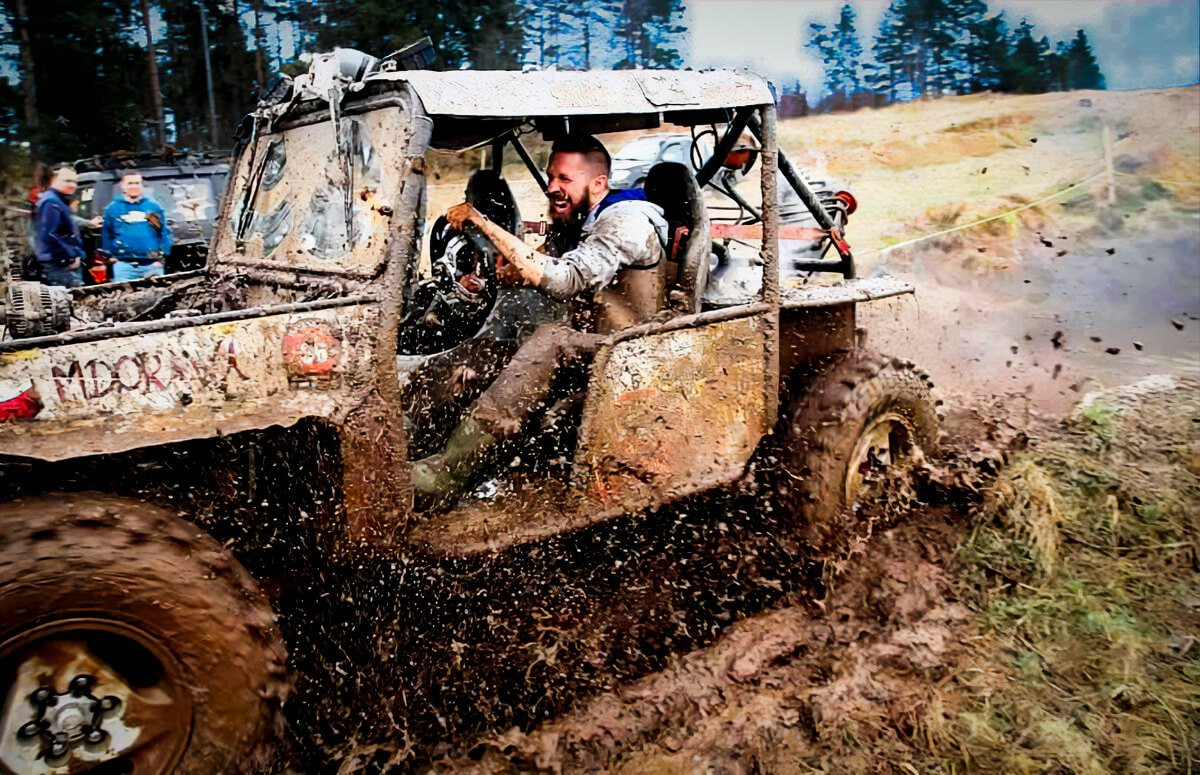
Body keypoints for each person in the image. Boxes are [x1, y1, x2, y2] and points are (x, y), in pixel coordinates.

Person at [410, 134, 669, 503]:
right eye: (551, 177)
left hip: (631, 351)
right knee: (489, 346)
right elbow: (544, 264)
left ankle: (449, 472)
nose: (552, 188)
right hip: (592, 347)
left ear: (598, 183)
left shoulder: (626, 221)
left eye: (564, 179)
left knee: (550, 339)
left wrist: (483, 222)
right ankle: (403, 434)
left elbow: (565, 280)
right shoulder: (583, 218)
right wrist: (497, 275)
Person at [102, 170, 173, 282]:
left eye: (137, 183)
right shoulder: (113, 209)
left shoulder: (153, 207)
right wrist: (111, 256)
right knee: (124, 298)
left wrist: (161, 259)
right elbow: (107, 234)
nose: (134, 186)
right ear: (122, 186)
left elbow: (165, 233)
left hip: (152, 265)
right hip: (123, 266)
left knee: (156, 297)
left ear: (142, 185)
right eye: (130, 183)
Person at [33, 163, 87, 287]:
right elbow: (49, 234)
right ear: (53, 179)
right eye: (67, 181)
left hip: (61, 263)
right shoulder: (50, 202)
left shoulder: (58, 201)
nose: (72, 185)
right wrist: (71, 255)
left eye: (75, 181)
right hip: (60, 265)